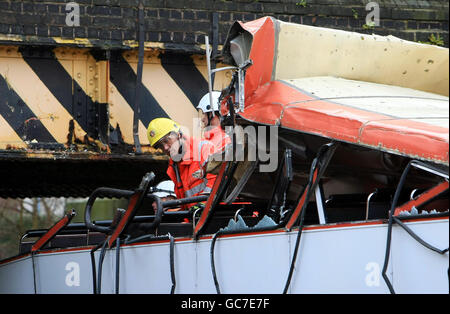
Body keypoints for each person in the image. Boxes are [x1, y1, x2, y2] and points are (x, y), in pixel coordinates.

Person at [147, 117, 216, 210]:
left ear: (178, 135)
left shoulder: (204, 149)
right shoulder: (174, 165)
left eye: (166, 141)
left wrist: (203, 206)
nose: (165, 148)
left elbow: (217, 182)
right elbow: (184, 201)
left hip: (215, 213)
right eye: (160, 146)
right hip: (198, 217)